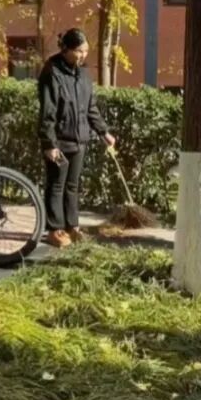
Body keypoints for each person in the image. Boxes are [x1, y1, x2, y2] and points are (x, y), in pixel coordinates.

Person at [38, 29, 116, 248]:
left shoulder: (83, 75)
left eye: (86, 51)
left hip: (79, 139)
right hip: (59, 141)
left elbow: (90, 108)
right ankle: (55, 229)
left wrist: (103, 132)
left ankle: (72, 226)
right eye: (79, 51)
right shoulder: (52, 72)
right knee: (56, 185)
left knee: (72, 186)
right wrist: (49, 143)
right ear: (66, 49)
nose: (83, 55)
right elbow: (48, 111)